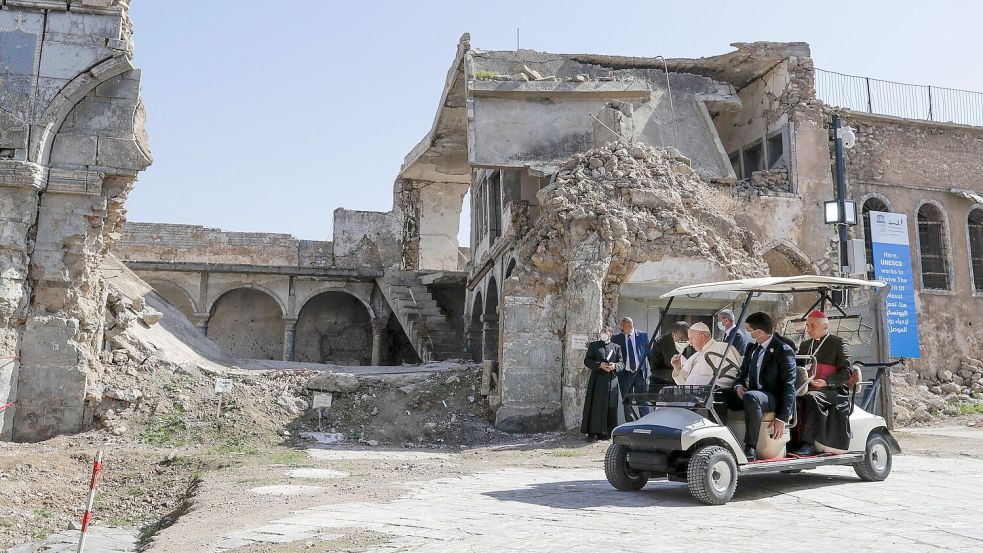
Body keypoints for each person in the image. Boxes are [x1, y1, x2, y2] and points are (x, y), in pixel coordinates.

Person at [730, 312, 796, 461]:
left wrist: (782, 418)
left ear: (759, 332)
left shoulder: (783, 350)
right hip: (754, 393)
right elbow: (741, 374)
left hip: (772, 396)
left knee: (752, 397)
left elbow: (788, 385)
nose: (746, 333)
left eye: (748, 329)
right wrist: (738, 386)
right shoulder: (752, 348)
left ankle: (750, 447)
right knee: (720, 394)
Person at [792, 311, 853, 455]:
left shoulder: (838, 343)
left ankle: (808, 443)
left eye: (813, 325)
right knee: (790, 397)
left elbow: (846, 372)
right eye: (807, 325)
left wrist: (826, 382)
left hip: (833, 390)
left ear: (825, 326)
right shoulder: (806, 344)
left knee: (811, 398)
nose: (809, 329)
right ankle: (791, 441)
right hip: (807, 386)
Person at [581, 325, 626, 440]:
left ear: (610, 334)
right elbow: (587, 361)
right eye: (602, 331)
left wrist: (614, 366)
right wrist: (599, 365)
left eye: (605, 331)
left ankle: (607, 432)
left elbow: (622, 363)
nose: (603, 333)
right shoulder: (595, 345)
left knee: (610, 406)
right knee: (595, 405)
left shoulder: (616, 347)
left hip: (611, 381)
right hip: (597, 380)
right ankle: (592, 432)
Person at [669, 322, 742, 386]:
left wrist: (707, 386)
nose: (690, 344)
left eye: (691, 339)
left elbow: (734, 374)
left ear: (702, 336)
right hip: (691, 398)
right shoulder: (695, 356)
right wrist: (677, 368)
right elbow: (684, 385)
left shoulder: (723, 348)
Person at [612, 317, 650, 419]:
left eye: (622, 327)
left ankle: (645, 423)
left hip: (639, 373)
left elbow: (649, 354)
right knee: (627, 401)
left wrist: (653, 372)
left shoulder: (642, 336)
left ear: (629, 326)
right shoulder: (616, 338)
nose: (621, 329)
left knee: (642, 400)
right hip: (625, 374)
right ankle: (630, 425)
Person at [649, 321, 695, 392]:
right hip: (663, 385)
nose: (685, 343)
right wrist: (678, 373)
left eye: (687, 340)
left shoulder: (693, 342)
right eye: (681, 340)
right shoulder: (659, 343)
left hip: (686, 386)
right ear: (673, 335)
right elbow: (655, 370)